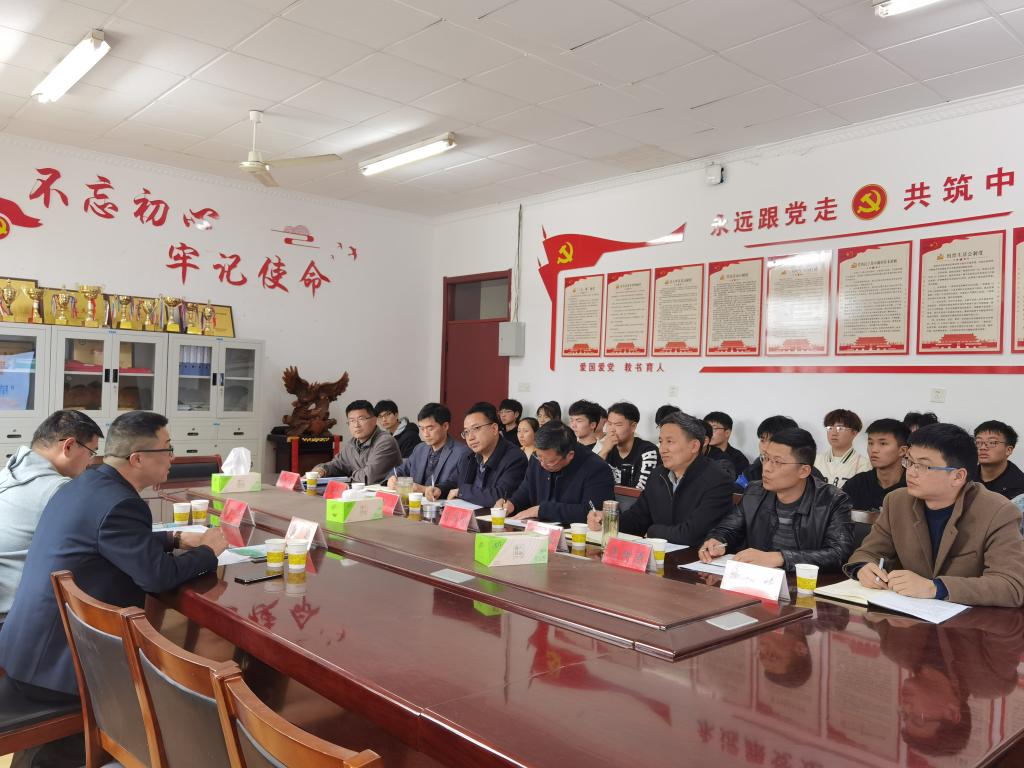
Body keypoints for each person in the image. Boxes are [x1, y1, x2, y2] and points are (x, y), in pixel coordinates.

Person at [0, 411, 225, 704]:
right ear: (138, 458)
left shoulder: (87, 484)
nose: (172, 456)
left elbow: (105, 540)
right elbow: (157, 577)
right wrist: (208, 551)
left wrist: (174, 538)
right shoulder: (121, 503)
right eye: (167, 448)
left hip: (27, 652)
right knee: (175, 694)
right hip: (60, 670)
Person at [846, 423, 1024, 606]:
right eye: (909, 462)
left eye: (923, 466)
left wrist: (936, 588)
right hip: (904, 613)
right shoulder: (897, 501)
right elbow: (868, 552)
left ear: (957, 476)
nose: (911, 472)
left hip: (969, 619)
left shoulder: (998, 511)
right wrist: (863, 568)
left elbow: (1011, 586)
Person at [700, 428, 854, 572]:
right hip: (756, 578)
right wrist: (717, 540)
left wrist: (780, 558)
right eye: (765, 458)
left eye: (777, 462)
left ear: (803, 471)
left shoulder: (832, 500)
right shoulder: (754, 492)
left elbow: (839, 553)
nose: (766, 468)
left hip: (805, 583)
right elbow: (728, 529)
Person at [0, 410, 103, 622]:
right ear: (69, 446)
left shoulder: (8, 474)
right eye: (91, 452)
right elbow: (100, 541)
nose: (90, 462)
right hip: (16, 616)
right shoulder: (58, 489)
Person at [589, 411, 732, 545]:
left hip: (696, 558)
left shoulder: (717, 480)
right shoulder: (658, 474)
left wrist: (652, 531)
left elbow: (691, 534)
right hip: (660, 552)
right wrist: (607, 520)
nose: (662, 449)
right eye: (661, 441)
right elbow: (637, 518)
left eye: (670, 442)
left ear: (694, 446)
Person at [497, 421, 614, 525]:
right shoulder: (537, 458)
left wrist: (542, 510)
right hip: (538, 530)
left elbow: (593, 513)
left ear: (570, 455)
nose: (542, 464)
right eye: (539, 457)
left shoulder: (597, 469)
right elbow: (527, 489)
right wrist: (512, 503)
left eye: (550, 462)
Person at [449, 402, 528, 508]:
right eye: (466, 432)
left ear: (494, 429)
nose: (470, 437)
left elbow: (500, 496)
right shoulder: (469, 456)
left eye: (476, 428)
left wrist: (462, 492)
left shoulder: (515, 458)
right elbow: (454, 482)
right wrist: (439, 489)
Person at [386, 403, 468, 501]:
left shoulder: (462, 453)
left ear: (445, 426)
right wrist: (392, 478)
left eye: (430, 428)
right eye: (422, 428)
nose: (425, 434)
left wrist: (424, 489)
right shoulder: (420, 449)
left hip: (440, 505)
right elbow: (402, 470)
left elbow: (456, 485)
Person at [314, 400, 402, 484]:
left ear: (374, 420)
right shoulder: (352, 444)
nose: (356, 425)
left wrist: (349, 475)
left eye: (361, 419)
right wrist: (322, 470)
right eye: (352, 421)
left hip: (384, 493)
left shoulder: (385, 441)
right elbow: (337, 465)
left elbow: (369, 477)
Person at [842, 418, 908, 511]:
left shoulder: (914, 486)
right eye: (870, 443)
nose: (874, 450)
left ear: (902, 451)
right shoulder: (856, 484)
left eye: (883, 443)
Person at [597, 401, 659, 490]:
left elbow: (640, 491)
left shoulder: (648, 451)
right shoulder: (607, 448)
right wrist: (604, 451)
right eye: (609, 424)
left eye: (618, 425)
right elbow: (590, 480)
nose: (611, 429)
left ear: (633, 427)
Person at [814, 409, 870, 488]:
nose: (833, 433)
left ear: (854, 433)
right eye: (830, 428)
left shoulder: (864, 464)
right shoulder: (815, 461)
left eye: (840, 428)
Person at [740, 415, 798, 486]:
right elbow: (737, 490)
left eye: (772, 441)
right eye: (762, 440)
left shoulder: (801, 470)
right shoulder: (752, 472)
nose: (765, 448)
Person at [974, 420, 1024, 500]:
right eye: (978, 442)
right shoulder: (964, 477)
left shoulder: (1020, 488)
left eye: (992, 442)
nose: (982, 447)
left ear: (1008, 450)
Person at [704, 411, 749, 477]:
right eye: (706, 428)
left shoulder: (738, 459)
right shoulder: (701, 452)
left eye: (713, 429)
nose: (708, 433)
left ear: (727, 433)